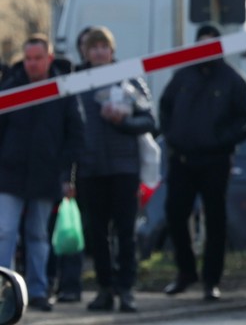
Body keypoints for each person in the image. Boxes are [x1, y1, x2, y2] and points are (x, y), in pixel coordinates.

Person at [159, 23, 246, 302]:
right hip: (182, 160)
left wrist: (225, 139)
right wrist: (171, 136)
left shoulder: (231, 79)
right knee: (175, 215)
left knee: (215, 220)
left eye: (211, 44)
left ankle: (211, 281)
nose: (206, 50)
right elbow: (165, 107)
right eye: (201, 43)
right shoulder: (182, 76)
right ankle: (186, 272)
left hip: (215, 161)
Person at [0, 34, 85, 312]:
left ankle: (37, 290)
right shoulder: (10, 87)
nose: (32, 64)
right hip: (10, 176)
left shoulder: (63, 91)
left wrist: (66, 175)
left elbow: (75, 135)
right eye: (28, 59)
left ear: (49, 58)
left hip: (46, 176)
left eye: (38, 58)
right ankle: (4, 291)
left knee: (38, 236)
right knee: (5, 232)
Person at [74, 27, 155, 313]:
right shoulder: (76, 82)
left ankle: (127, 289)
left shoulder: (129, 77)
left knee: (125, 231)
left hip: (123, 167)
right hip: (90, 168)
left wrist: (123, 122)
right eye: (93, 47)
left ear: (112, 50)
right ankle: (104, 288)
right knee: (97, 234)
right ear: (85, 51)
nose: (99, 52)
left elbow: (149, 121)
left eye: (104, 47)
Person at [47, 25, 93, 305]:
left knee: (73, 231)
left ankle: (71, 285)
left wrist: (71, 177)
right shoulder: (63, 83)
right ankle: (53, 283)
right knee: (55, 232)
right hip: (56, 173)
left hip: (84, 171)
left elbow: (75, 137)